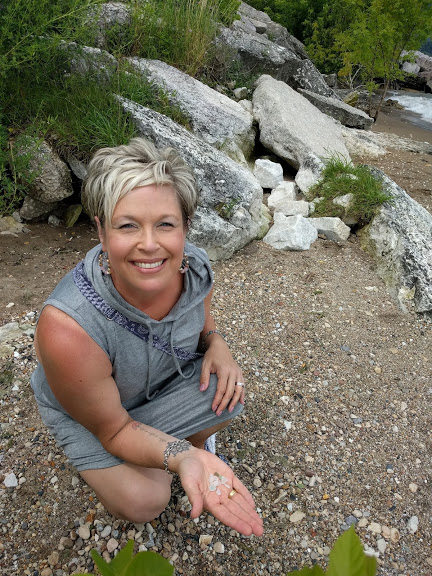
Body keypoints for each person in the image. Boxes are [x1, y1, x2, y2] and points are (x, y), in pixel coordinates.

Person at [31, 137, 263, 537]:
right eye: (127, 225)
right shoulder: (68, 328)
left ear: (186, 228)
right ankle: (172, 456)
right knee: (146, 498)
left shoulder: (192, 265)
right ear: (101, 231)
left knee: (228, 391)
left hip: (157, 385)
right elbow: (116, 430)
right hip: (97, 412)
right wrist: (180, 455)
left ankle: (175, 450)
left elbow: (199, 304)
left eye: (166, 225)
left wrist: (216, 342)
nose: (150, 244)